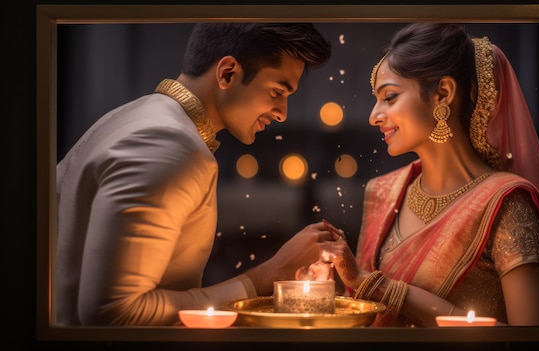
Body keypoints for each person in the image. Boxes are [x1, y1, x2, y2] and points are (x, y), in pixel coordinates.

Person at [55, 23, 333, 326]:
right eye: (277, 91)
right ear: (228, 73)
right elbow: (111, 314)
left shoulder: (135, 117)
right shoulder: (168, 145)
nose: (282, 112)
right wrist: (265, 277)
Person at [325, 23, 539, 327]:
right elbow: (362, 318)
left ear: (443, 94)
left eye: (389, 97)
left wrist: (379, 286)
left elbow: (534, 340)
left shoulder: (505, 203)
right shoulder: (382, 192)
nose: (374, 115)